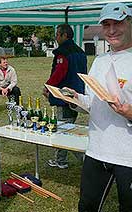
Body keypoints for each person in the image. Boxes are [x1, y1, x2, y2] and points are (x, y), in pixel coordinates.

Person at [65, 3, 132, 212]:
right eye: (106, 25)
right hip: (97, 149)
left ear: (130, 23)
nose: (111, 30)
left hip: (128, 155)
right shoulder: (100, 61)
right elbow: (93, 102)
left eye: (117, 23)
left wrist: (130, 113)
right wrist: (75, 99)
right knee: (87, 207)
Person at [43, 24, 87, 169]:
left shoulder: (63, 53)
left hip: (65, 95)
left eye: (57, 34)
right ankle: (60, 159)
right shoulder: (80, 52)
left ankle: (85, 160)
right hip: (78, 95)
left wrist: (48, 87)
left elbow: (59, 72)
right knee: (67, 126)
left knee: (64, 129)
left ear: (64, 35)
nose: (56, 37)